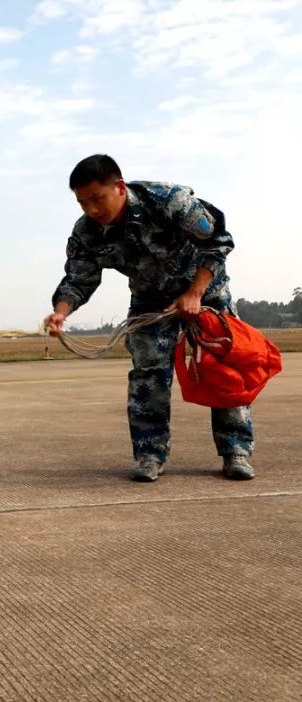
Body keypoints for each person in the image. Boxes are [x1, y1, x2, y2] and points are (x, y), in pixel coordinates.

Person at [44, 154, 255, 484]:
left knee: (224, 368)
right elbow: (78, 278)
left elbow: (217, 243)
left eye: (97, 199)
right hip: (150, 300)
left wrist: (195, 294)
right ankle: (149, 454)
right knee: (148, 375)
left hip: (206, 290)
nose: (92, 210)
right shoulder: (87, 233)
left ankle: (236, 451)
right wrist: (60, 313)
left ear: (119, 187)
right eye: (83, 203)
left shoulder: (168, 202)